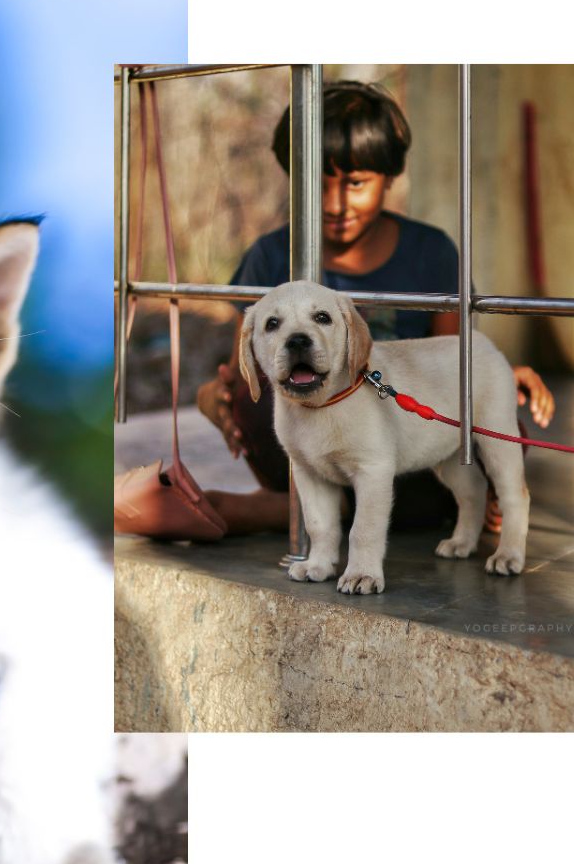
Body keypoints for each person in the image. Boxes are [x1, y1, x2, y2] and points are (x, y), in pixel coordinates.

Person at [194, 80, 555, 536]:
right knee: (252, 405)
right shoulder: (270, 255)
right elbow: (247, 369)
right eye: (316, 185)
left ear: (388, 176)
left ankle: (303, 510)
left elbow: (454, 357)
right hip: (314, 431)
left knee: (500, 424)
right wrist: (216, 398)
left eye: (355, 183)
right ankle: (334, 504)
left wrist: (498, 370)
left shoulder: (431, 252)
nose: (335, 203)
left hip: (402, 435)